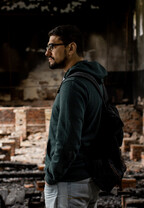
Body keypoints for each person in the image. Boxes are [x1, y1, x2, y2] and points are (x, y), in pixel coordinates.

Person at [44, 25, 107, 207]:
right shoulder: (94, 79)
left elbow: (67, 141)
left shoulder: (73, 85)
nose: (47, 53)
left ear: (71, 48)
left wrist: (51, 175)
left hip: (69, 183)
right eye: (47, 47)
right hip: (89, 177)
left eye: (52, 46)